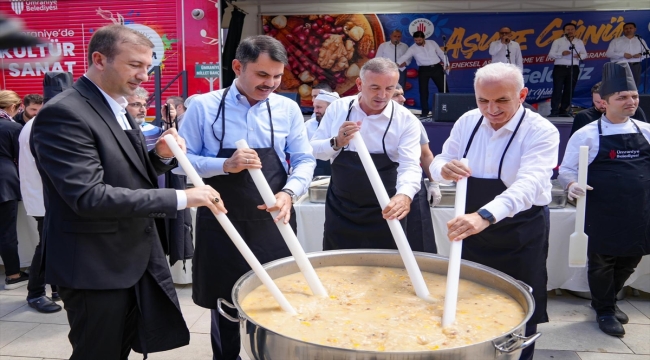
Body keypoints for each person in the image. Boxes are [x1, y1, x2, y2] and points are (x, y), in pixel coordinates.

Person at [31, 24, 224, 360]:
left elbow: (131, 175)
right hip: (93, 264)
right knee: (98, 351)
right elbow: (88, 196)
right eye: (135, 65)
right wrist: (181, 198)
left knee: (119, 347)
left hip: (128, 257)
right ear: (99, 59)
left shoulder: (116, 107)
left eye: (147, 67)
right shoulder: (64, 113)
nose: (144, 76)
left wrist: (160, 157)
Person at [178, 35, 316, 360]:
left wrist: (289, 192)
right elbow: (184, 164)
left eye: (277, 76)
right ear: (238, 67)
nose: (271, 84)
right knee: (223, 301)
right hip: (222, 219)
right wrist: (225, 165)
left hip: (273, 220)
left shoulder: (287, 109)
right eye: (262, 75)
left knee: (276, 297)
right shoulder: (203, 106)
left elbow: (304, 159)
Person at [430, 62, 559, 360]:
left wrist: (484, 216)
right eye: (483, 100)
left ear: (522, 94)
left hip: (520, 232)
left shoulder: (541, 131)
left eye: (502, 100)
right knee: (469, 300)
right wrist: (444, 169)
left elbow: (528, 185)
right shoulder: (467, 121)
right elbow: (440, 162)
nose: (491, 109)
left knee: (521, 306)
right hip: (473, 232)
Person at [558, 62, 649, 337]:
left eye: (633, 97)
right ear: (605, 103)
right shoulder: (586, 134)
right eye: (622, 97)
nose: (630, 102)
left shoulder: (646, 130)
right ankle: (605, 309)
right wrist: (572, 185)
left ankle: (606, 301)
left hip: (640, 210)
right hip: (602, 211)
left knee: (630, 260)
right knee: (602, 263)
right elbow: (566, 170)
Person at [310, 57, 422, 251]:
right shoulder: (338, 108)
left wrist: (404, 195)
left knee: (386, 269)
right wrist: (337, 142)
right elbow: (314, 150)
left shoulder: (406, 120)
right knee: (337, 265)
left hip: (386, 207)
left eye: (390, 89)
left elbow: (410, 165)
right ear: (359, 84)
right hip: (341, 206)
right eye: (375, 87)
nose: (382, 95)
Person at [18, 83, 66, 314]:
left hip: (46, 196)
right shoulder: (43, 123)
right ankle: (35, 293)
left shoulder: (39, 122)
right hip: (44, 198)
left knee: (54, 244)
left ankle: (56, 288)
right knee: (46, 246)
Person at [393, 84, 440, 252]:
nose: (403, 99)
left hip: (412, 185)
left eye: (402, 94)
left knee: (419, 239)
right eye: (396, 95)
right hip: (382, 184)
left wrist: (433, 184)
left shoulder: (410, 120)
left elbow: (425, 154)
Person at [0, 90, 28, 290]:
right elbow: (22, 159)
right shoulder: (12, 127)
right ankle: (13, 275)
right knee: (7, 231)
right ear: (12, 107)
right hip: (5, 183)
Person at [397, 31, 449, 118]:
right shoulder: (413, 48)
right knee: (423, 91)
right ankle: (425, 111)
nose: (417, 42)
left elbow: (441, 53)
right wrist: (396, 64)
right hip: (424, 70)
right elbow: (405, 57)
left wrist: (447, 64)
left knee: (444, 89)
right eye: (416, 40)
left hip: (436, 67)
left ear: (424, 38)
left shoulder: (432, 43)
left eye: (419, 40)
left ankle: (446, 110)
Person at [570, 81, 647, 136]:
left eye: (603, 102)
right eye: (597, 102)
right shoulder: (583, 116)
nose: (602, 105)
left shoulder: (631, 111)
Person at [548, 22, 587, 117]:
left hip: (573, 68)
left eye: (572, 30)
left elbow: (585, 54)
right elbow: (551, 54)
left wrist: (579, 56)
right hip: (560, 68)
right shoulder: (558, 41)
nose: (570, 31)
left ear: (575, 31)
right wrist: (561, 53)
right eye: (568, 30)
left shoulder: (579, 42)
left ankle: (565, 110)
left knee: (569, 90)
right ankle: (554, 110)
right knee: (557, 89)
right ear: (564, 31)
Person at [306, 90, 339, 177]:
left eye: (319, 107)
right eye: (314, 107)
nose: (315, 111)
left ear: (331, 109)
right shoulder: (308, 126)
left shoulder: (342, 125)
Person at [605, 22, 649, 87]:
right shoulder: (616, 41)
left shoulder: (640, 40)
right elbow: (608, 54)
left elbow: (648, 53)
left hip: (635, 66)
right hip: (620, 66)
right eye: (626, 28)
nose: (628, 30)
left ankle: (633, 96)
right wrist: (623, 54)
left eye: (630, 28)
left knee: (634, 86)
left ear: (635, 29)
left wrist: (641, 54)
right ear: (623, 30)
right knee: (620, 85)